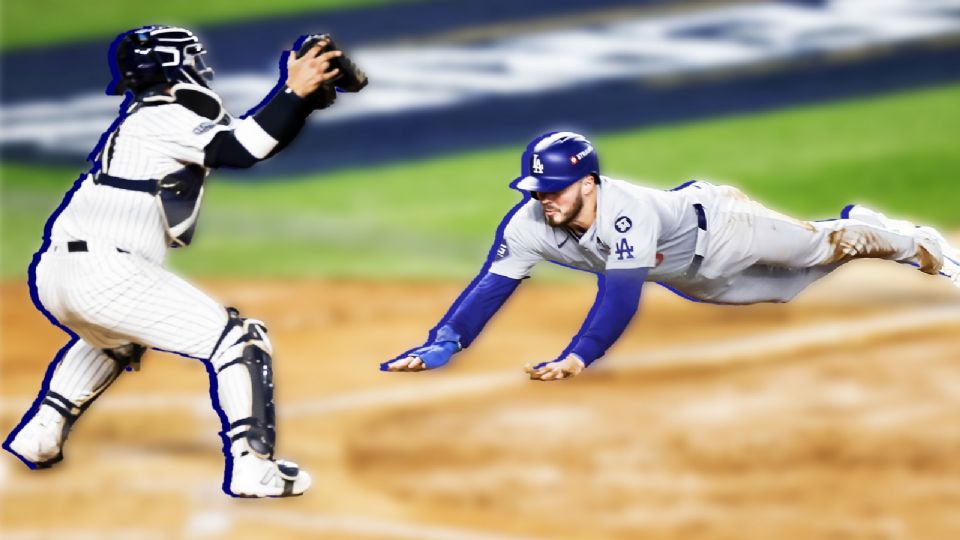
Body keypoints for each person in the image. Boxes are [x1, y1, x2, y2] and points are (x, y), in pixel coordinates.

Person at [3, 25, 366, 497]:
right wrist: (293, 92)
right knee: (238, 340)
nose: (200, 67)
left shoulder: (152, 116)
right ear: (175, 66)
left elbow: (249, 137)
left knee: (117, 337)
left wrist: (302, 101)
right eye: (191, 58)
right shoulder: (166, 115)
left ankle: (39, 435)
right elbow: (240, 150)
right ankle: (253, 468)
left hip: (58, 273)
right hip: (107, 273)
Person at [382, 131, 960, 381]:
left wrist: (578, 357)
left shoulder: (625, 209)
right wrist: (444, 341)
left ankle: (920, 247)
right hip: (689, 275)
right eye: (536, 190)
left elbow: (620, 293)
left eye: (554, 188)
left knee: (815, 245)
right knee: (792, 286)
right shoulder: (531, 223)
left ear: (588, 182)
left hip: (725, 227)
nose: (543, 200)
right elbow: (492, 285)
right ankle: (860, 228)